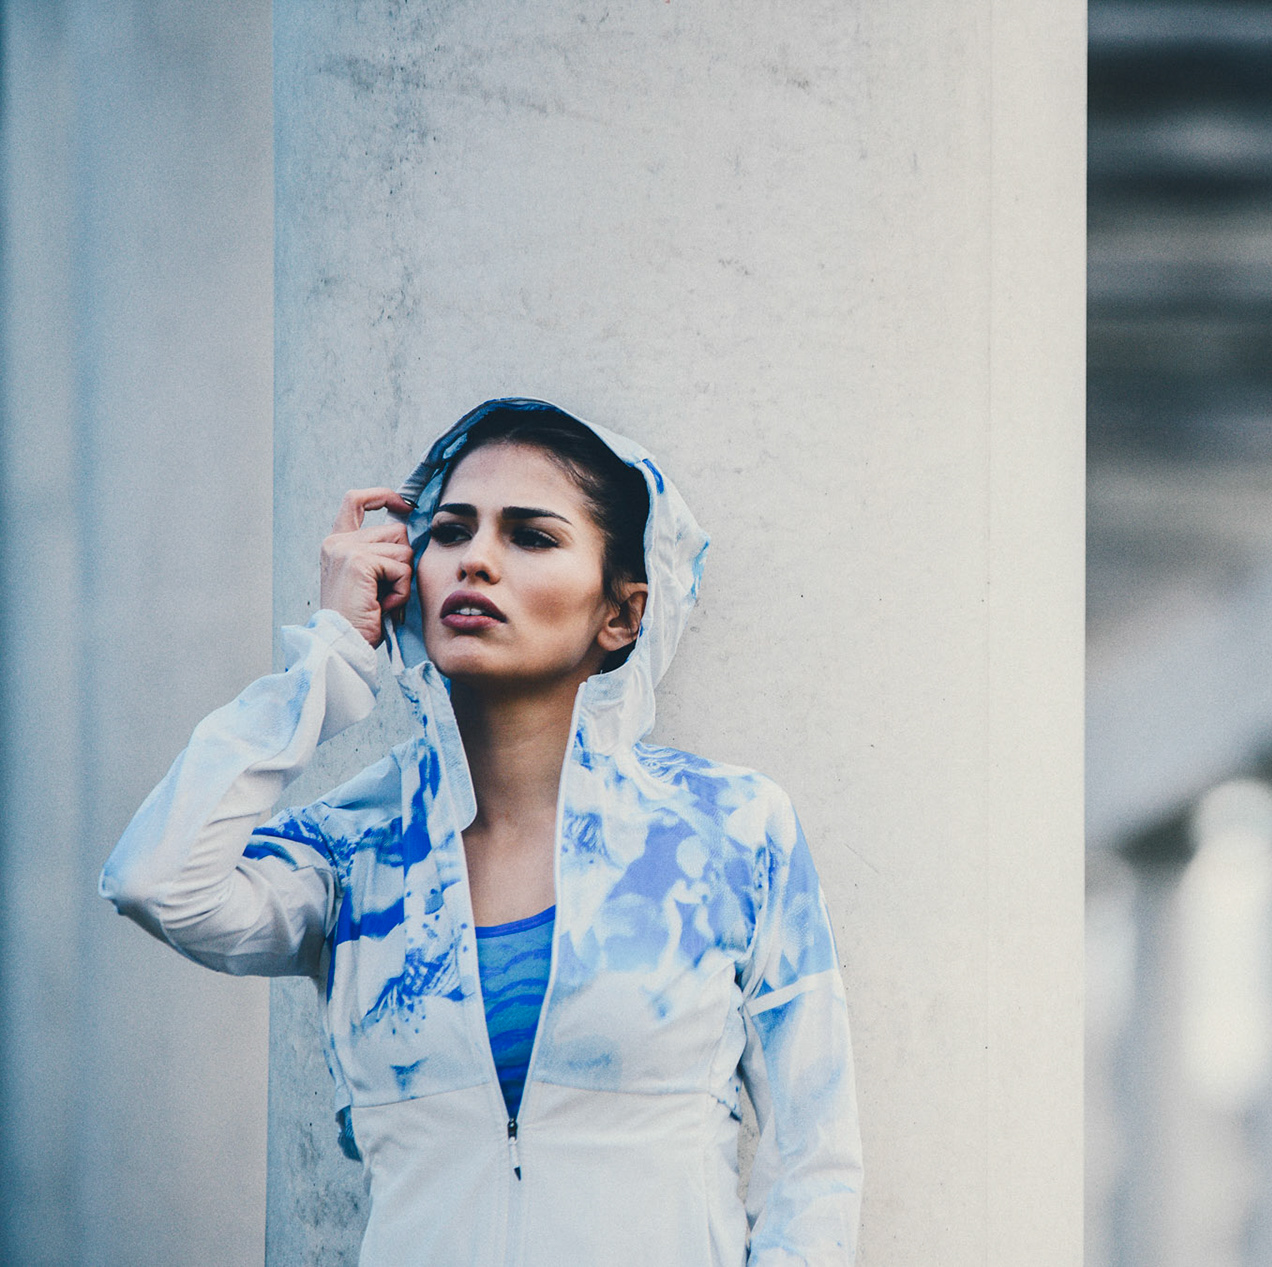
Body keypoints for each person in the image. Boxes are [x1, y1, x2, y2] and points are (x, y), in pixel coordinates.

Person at [100, 399, 861, 1265]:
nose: (476, 560)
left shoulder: (729, 829)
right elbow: (155, 880)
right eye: (450, 532)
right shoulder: (355, 849)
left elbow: (814, 1167)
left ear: (622, 613)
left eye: (530, 536)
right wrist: (328, 658)